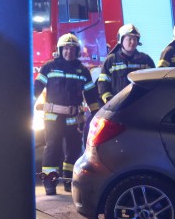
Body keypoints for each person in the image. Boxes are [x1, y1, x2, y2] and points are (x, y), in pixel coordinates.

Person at [34, 33, 100, 195]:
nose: (68, 52)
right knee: (52, 148)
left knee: (73, 150)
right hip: (53, 118)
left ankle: (68, 180)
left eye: (72, 49)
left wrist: (96, 115)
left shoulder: (83, 71)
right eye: (66, 48)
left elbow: (91, 95)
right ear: (60, 49)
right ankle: (50, 182)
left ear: (76, 51)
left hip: (74, 118)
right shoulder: (49, 67)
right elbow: (36, 89)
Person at [98, 24, 155, 104]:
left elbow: (153, 83)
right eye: (129, 39)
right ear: (121, 40)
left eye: (135, 39)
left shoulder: (145, 60)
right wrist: (109, 101)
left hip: (141, 105)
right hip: (118, 107)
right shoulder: (111, 60)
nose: (132, 42)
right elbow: (103, 84)